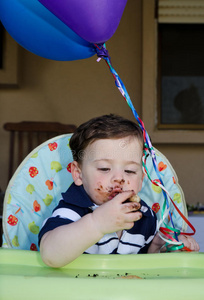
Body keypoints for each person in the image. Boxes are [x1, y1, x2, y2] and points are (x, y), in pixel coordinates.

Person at [39, 114, 199, 267]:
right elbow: (50, 255)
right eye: (104, 168)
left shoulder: (144, 216)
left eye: (130, 171)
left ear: (142, 178)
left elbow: (146, 266)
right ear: (78, 174)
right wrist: (97, 224)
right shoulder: (71, 210)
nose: (119, 178)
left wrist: (159, 247)